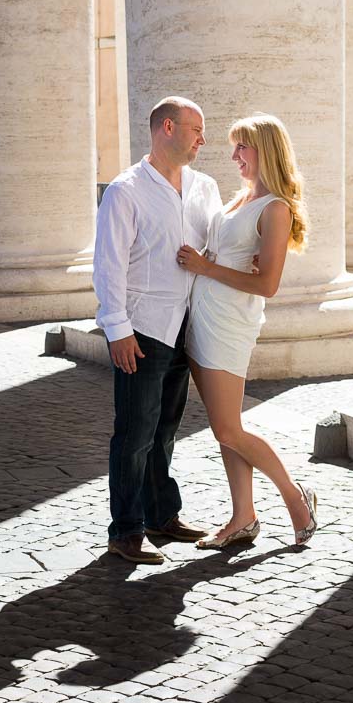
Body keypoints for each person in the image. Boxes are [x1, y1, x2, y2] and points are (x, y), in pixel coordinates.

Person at [177, 112, 318, 549]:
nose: (234, 155)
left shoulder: (275, 207)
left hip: (229, 323)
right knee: (226, 426)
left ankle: (295, 497)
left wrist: (205, 266)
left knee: (228, 430)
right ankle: (243, 517)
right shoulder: (240, 198)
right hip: (202, 316)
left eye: (243, 146)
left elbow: (267, 284)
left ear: (266, 151)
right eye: (234, 146)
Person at [94, 96, 222, 565]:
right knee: (134, 434)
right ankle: (126, 530)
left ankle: (160, 514)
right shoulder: (125, 191)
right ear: (167, 128)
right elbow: (108, 265)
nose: (202, 140)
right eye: (196, 129)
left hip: (188, 324)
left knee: (166, 427)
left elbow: (216, 245)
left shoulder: (205, 187)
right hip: (142, 328)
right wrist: (117, 329)